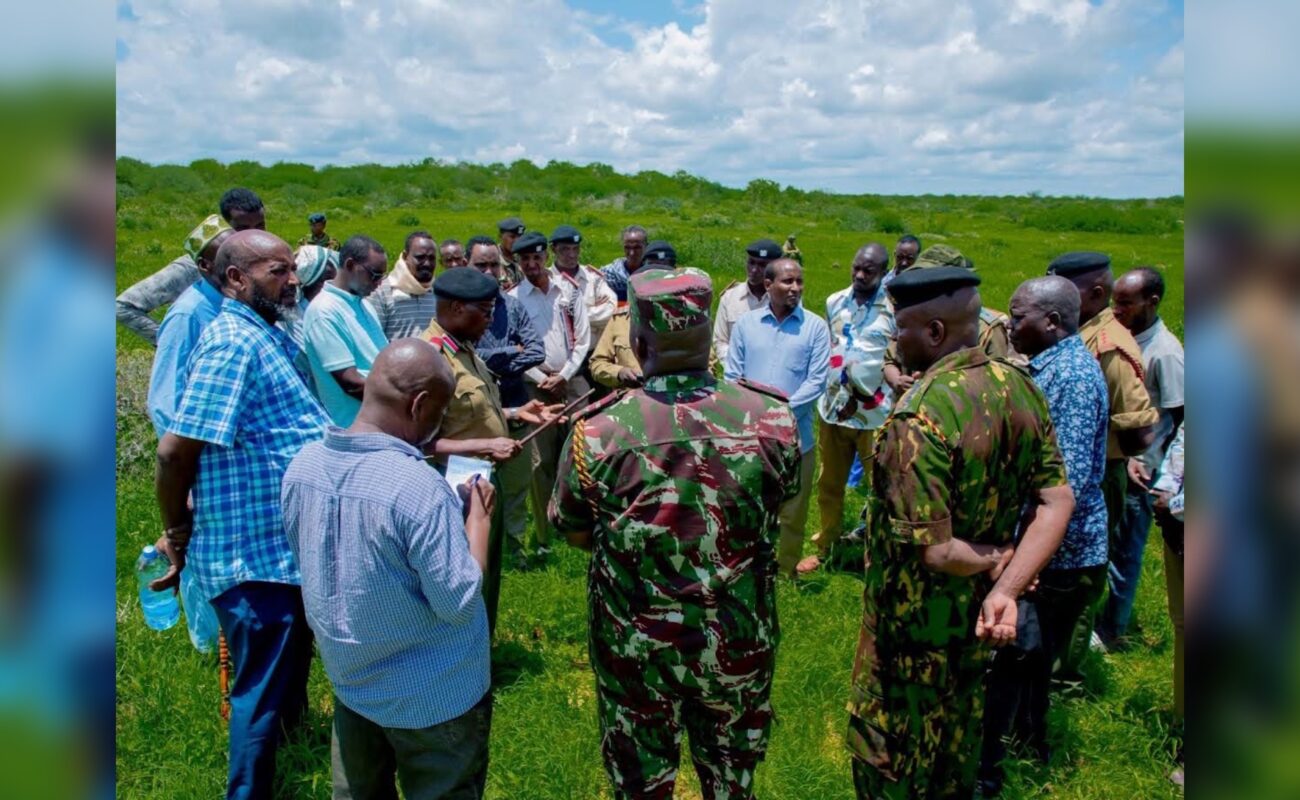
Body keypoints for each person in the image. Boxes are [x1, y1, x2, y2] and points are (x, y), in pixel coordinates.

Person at [549, 268, 803, 799]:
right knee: (734, 785)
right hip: (737, 641)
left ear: (638, 342)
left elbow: (574, 531)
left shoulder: (599, 432)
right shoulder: (772, 419)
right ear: (709, 337)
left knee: (640, 787)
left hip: (637, 649)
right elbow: (779, 504)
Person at [846, 265, 1074, 800]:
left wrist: (996, 557)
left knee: (888, 769)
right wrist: (1007, 587)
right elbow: (1056, 501)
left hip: (908, 636)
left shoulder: (919, 417)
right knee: (956, 758)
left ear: (933, 332)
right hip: (974, 631)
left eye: (898, 329)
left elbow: (937, 549)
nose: (892, 343)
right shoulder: (1019, 387)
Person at [149, 230, 329, 800]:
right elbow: (175, 451)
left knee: (285, 682)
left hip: (281, 550)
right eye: (278, 270)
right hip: (252, 556)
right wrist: (177, 528)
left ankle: (291, 765)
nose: (292, 280)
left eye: (291, 268)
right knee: (258, 694)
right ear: (235, 278)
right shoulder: (232, 342)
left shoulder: (264, 333)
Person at [281, 339, 495, 800]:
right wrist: (477, 523)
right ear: (419, 405)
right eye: (439, 413)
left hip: (353, 684)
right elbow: (457, 603)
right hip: (434, 697)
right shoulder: (418, 487)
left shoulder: (302, 466)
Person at [980, 276, 1109, 794]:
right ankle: (1027, 740)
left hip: (1060, 553)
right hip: (1045, 549)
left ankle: (996, 765)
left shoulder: (1073, 379)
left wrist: (1020, 564)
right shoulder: (1047, 367)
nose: (1010, 324)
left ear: (1052, 322)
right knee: (1030, 659)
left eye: (1019, 316)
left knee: (1016, 652)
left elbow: (1064, 489)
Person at [422, 268, 560, 630]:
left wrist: (518, 413)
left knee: (488, 577)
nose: (491, 319)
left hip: (482, 483)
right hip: (453, 492)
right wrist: (486, 445)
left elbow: (475, 410)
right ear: (455, 308)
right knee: (463, 584)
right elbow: (419, 443)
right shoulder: (430, 361)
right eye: (484, 311)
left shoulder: (465, 350)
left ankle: (481, 652)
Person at [1046, 251, 1158, 666]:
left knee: (1081, 576)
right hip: (1069, 469)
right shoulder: (1083, 330)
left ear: (1094, 293)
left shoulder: (1110, 344)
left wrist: (1110, 455)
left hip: (1099, 475)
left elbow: (1139, 427)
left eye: (1065, 289)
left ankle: (1066, 672)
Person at [144, 215, 233, 653]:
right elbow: (164, 402)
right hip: (196, 461)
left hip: (225, 457)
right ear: (203, 266)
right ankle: (208, 649)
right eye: (226, 258)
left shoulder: (229, 304)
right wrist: (183, 475)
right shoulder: (188, 314)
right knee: (198, 552)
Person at [725, 258, 830, 579]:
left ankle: (784, 572)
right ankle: (743, 568)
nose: (795, 288)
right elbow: (733, 375)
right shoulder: (746, 325)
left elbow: (817, 380)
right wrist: (757, 414)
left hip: (798, 438)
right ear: (768, 285)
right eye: (787, 282)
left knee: (794, 510)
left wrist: (778, 412)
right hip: (750, 436)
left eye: (799, 282)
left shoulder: (815, 327)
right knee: (748, 505)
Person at [1097, 267, 1185, 648]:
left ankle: (1113, 628)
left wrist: (1159, 469)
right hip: (1120, 461)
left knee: (1126, 552)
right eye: (1114, 301)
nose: (1117, 309)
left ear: (1152, 302)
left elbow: (1182, 419)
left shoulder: (1166, 352)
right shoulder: (1125, 339)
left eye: (1126, 303)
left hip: (1144, 471)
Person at [800, 242, 894, 576]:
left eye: (868, 270)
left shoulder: (894, 307)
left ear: (884, 271)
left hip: (876, 414)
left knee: (881, 488)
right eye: (856, 267)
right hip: (833, 408)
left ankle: (879, 553)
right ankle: (827, 546)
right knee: (829, 483)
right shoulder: (834, 301)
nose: (859, 275)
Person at [462, 235, 547, 568]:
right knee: (475, 486)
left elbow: (537, 351)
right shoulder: (461, 307)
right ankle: (473, 551)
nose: (488, 271)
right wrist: (511, 352)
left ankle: (514, 551)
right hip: (476, 412)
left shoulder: (512, 306)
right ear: (468, 265)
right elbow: (464, 355)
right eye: (480, 264)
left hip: (516, 403)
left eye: (493, 264)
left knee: (518, 484)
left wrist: (488, 361)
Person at [508, 230, 591, 555]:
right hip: (535, 387)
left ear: (546, 257)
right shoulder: (513, 299)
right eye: (525, 259)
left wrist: (565, 375)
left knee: (580, 454)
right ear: (519, 261)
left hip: (572, 385)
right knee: (540, 466)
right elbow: (515, 348)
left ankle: (581, 526)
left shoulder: (568, 292)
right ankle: (544, 535)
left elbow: (583, 339)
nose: (531, 264)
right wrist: (541, 377)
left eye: (536, 258)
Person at [115, 187, 266, 344]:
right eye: (242, 229)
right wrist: (171, 341)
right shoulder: (191, 268)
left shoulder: (267, 259)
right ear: (225, 226)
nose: (254, 235)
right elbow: (123, 307)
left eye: (260, 226)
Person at [883, 245, 1017, 396]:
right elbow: (890, 359)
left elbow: (995, 385)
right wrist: (897, 380)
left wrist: (938, 381)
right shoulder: (913, 317)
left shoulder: (987, 328)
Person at [303, 235, 390, 426]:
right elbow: (351, 383)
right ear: (350, 265)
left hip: (383, 421)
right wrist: (402, 403)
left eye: (382, 276)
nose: (378, 283)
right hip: (355, 427)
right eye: (374, 275)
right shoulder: (324, 311)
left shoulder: (364, 305)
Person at [589, 239, 676, 390]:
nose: (658, 282)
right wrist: (619, 373)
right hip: (631, 405)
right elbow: (597, 363)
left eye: (664, 276)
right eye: (653, 276)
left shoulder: (690, 318)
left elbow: (708, 365)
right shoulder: (621, 319)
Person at [1151, 421, 1184, 787]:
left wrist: (1172, 502)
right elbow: (1180, 451)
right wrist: (1163, 488)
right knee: (1184, 628)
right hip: (1181, 533)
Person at [550, 224, 617, 353]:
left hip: (594, 352)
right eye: (565, 249)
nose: (572, 254)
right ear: (553, 249)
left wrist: (573, 316)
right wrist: (593, 316)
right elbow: (553, 321)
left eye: (575, 249)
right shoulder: (547, 280)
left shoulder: (593, 278)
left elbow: (611, 308)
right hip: (562, 356)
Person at [713, 238, 781, 365]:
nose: (754, 270)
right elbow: (720, 341)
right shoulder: (730, 298)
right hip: (736, 373)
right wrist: (736, 366)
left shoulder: (783, 300)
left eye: (762, 265)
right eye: (751, 263)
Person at [369, 230, 440, 340]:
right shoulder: (382, 292)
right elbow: (373, 339)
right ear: (406, 256)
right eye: (420, 257)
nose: (427, 263)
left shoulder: (438, 292)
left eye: (431, 258)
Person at [600, 224, 647, 300]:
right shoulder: (609, 275)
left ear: (646, 247)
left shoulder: (653, 273)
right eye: (627, 248)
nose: (632, 253)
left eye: (637, 248)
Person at [497, 216, 526, 289]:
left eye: (520, 237)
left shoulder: (522, 258)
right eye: (512, 237)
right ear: (500, 236)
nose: (517, 241)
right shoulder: (494, 259)